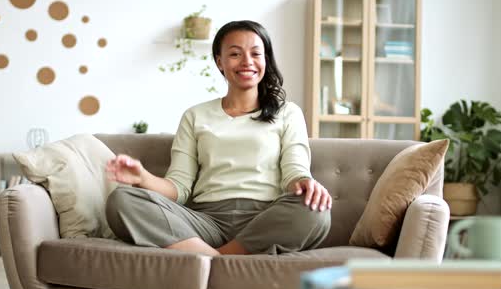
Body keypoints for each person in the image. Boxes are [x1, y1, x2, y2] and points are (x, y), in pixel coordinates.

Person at [105, 20, 331, 256]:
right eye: (235, 54)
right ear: (219, 61)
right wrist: (143, 177)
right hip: (205, 222)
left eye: (255, 53)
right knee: (121, 199)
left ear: (265, 60)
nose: (247, 62)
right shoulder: (195, 116)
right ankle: (225, 256)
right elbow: (178, 188)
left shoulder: (288, 113)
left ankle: (216, 257)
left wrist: (305, 183)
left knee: (316, 209)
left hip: (265, 219)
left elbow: (294, 172)